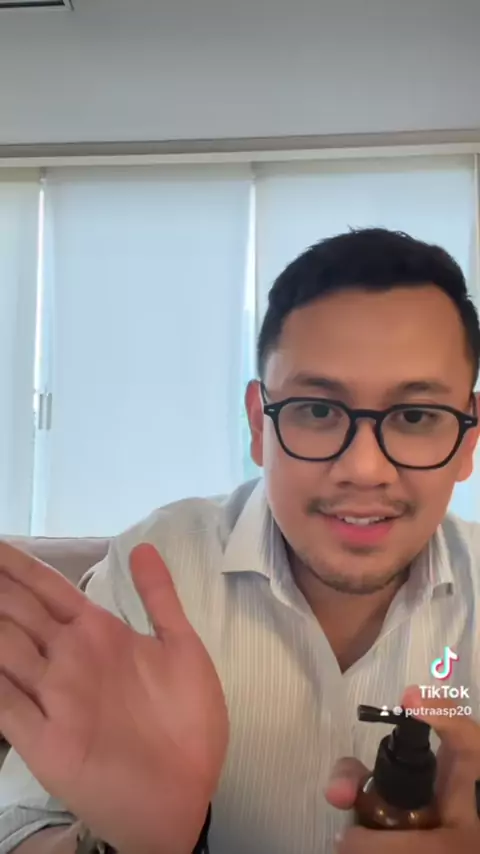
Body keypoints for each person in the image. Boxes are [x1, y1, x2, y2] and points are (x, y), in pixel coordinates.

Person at [0, 227, 479, 854]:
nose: (364, 469)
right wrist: (123, 842)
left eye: (415, 416)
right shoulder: (158, 570)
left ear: (468, 439)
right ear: (259, 424)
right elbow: (18, 825)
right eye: (317, 410)